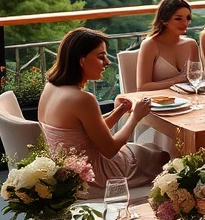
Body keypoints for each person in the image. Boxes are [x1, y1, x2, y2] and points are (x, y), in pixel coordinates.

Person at [38, 27, 169, 189]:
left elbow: (85, 134)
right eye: (101, 57)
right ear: (82, 60)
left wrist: (118, 112)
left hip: (67, 174)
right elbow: (110, 149)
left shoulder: (50, 87)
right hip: (96, 177)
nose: (107, 62)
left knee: (148, 151)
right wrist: (136, 116)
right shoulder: (83, 99)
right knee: (164, 158)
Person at [135, 0, 200, 92]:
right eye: (178, 19)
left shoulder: (191, 45)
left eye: (188, 18)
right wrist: (178, 80)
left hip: (188, 102)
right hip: (159, 103)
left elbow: (196, 80)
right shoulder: (150, 45)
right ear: (164, 20)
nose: (185, 23)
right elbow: (143, 87)